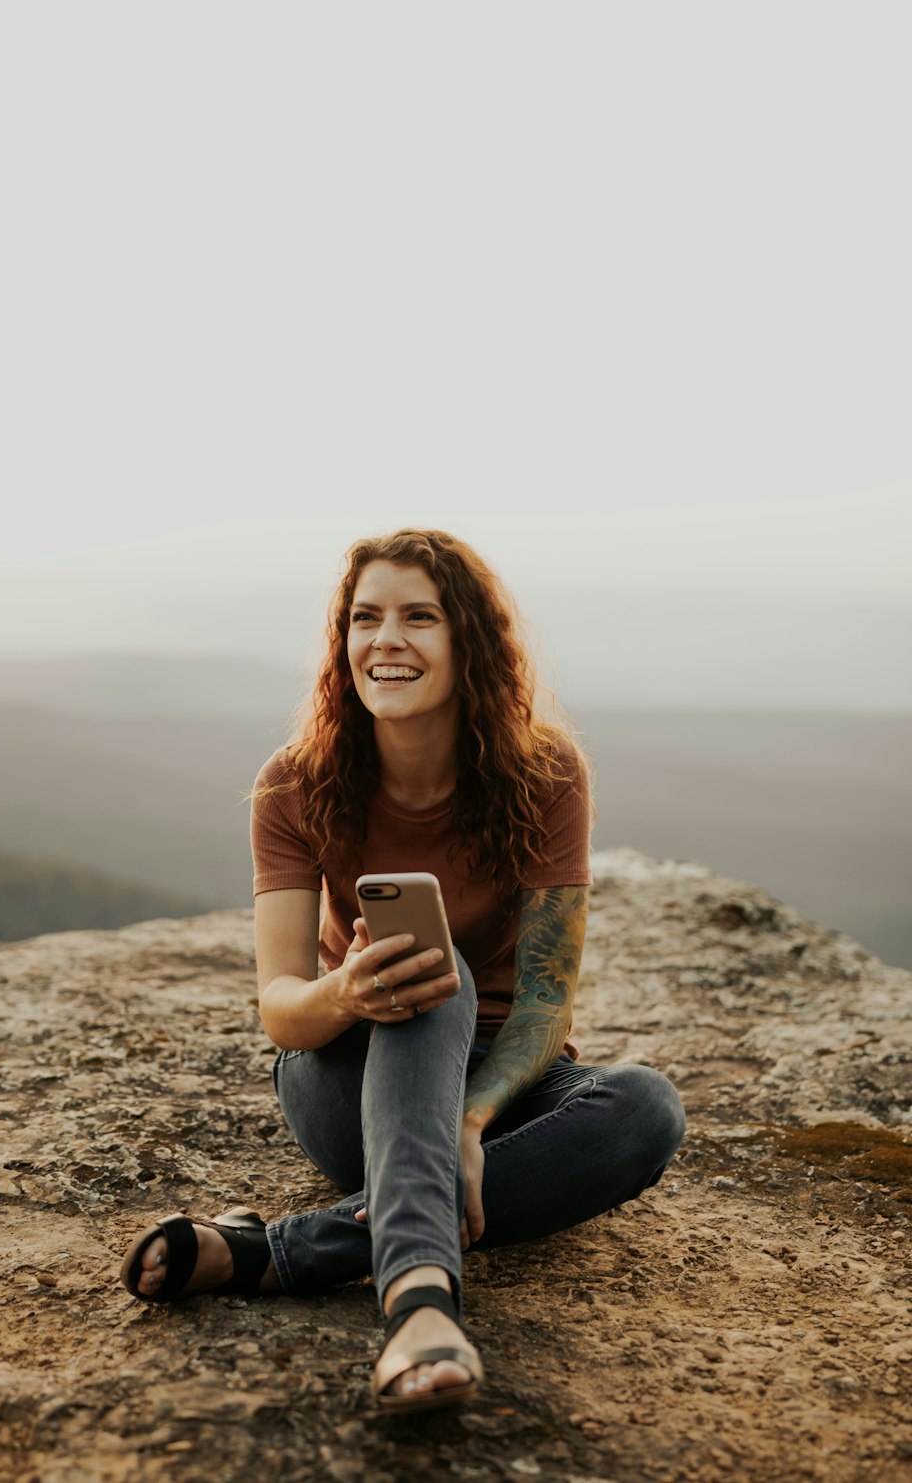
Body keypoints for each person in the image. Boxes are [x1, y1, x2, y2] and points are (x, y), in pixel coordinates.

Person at [120, 527, 685, 1415]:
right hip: (349, 1076)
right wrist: (346, 989)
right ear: (343, 642)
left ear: (470, 640)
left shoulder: (545, 775)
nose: (386, 639)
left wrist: (470, 1120)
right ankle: (420, 1304)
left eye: (419, 617)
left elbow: (543, 1005)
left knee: (645, 1108)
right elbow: (282, 1011)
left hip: (498, 1085)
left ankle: (275, 1251)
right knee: (430, 967)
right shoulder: (295, 784)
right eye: (365, 618)